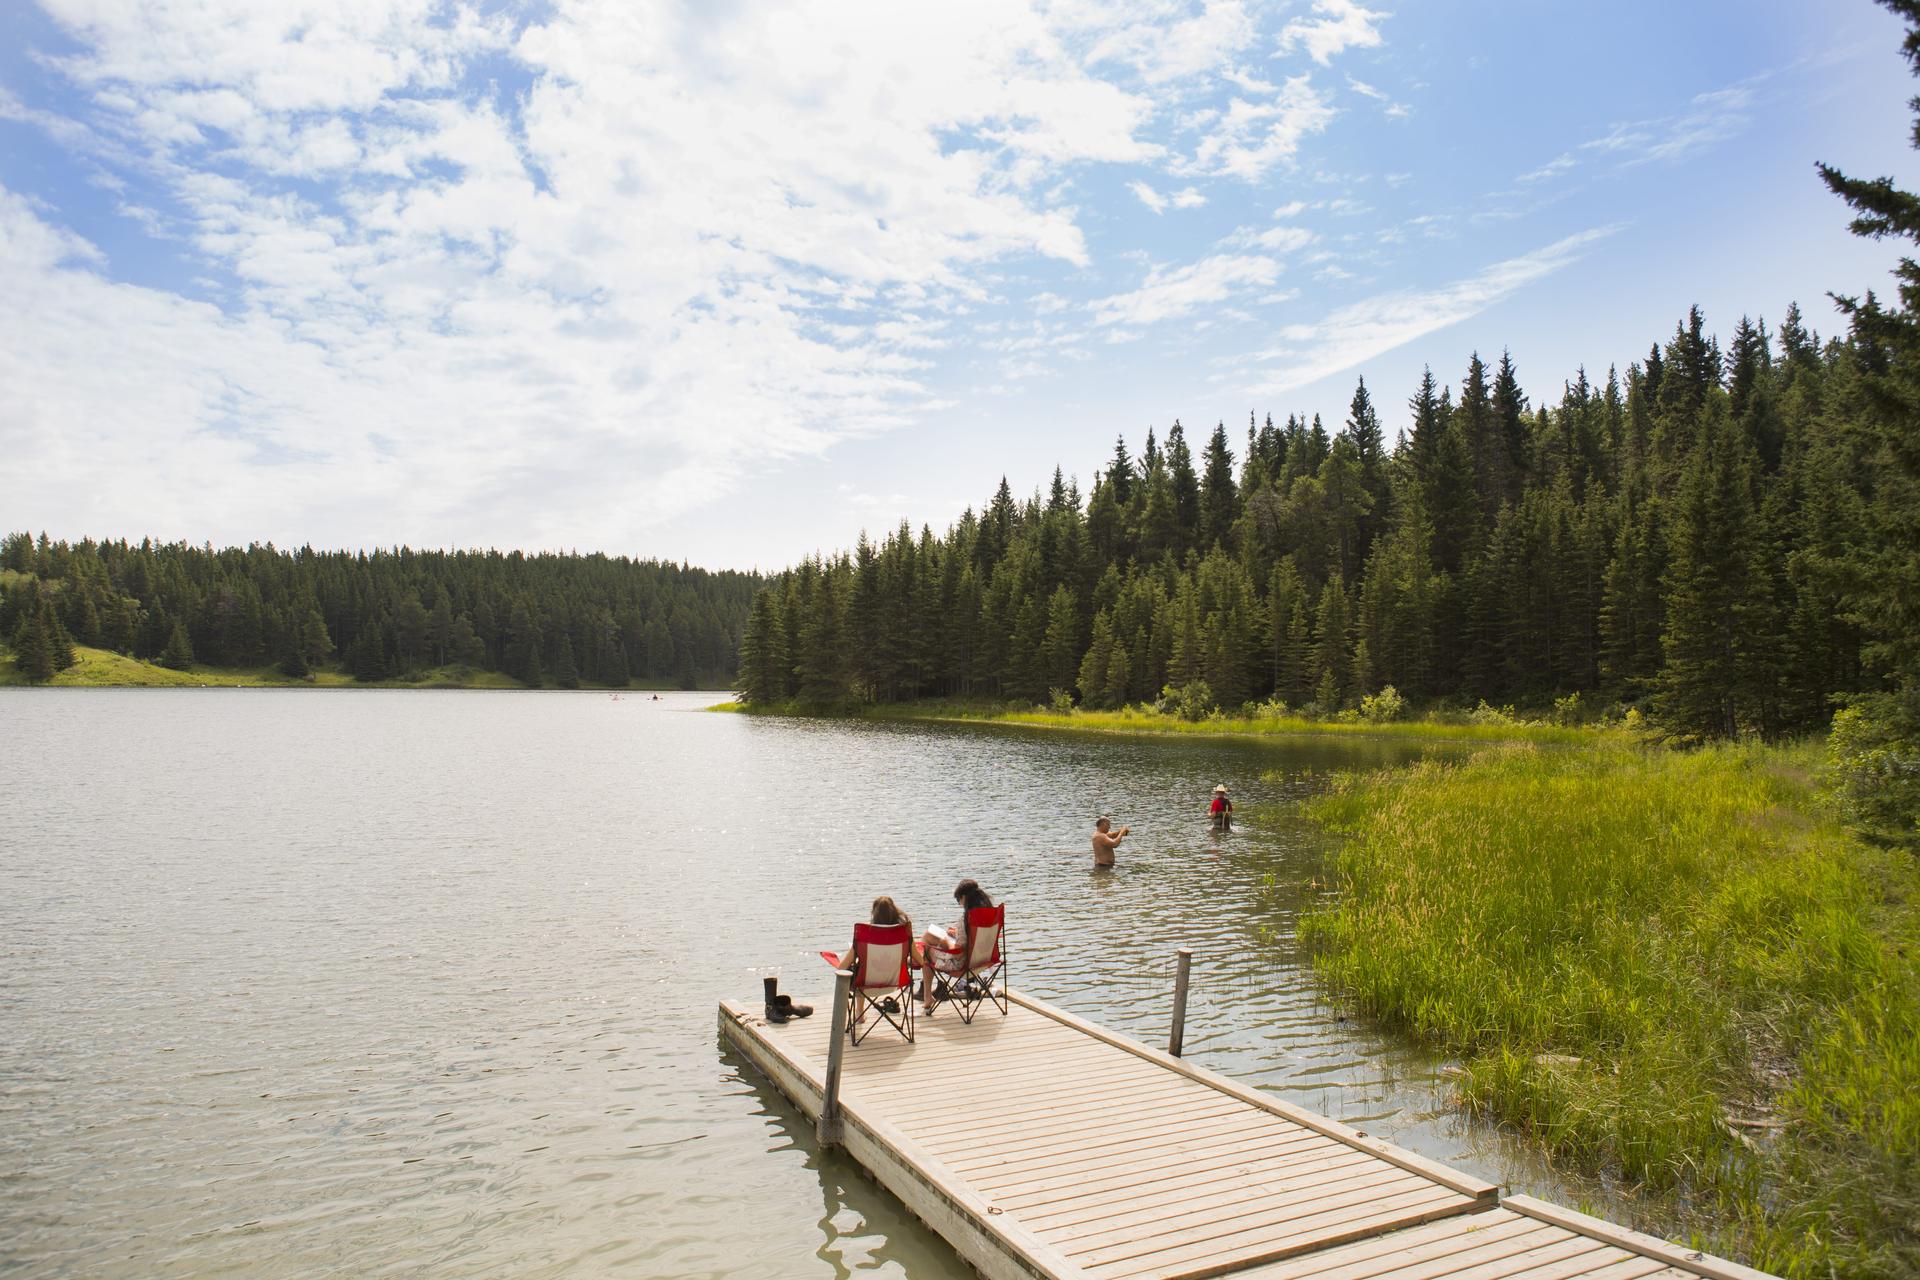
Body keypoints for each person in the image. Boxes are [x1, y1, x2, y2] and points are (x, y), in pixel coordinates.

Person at [831, 896, 916, 1020]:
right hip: (896, 983)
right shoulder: (904, 933)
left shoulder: (864, 936)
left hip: (865, 985)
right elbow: (920, 961)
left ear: (873, 914)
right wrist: (904, 960)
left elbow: (841, 967)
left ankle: (859, 1013)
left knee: (858, 969)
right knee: (860, 968)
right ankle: (859, 1012)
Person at [920, 879, 993, 1012]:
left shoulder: (966, 919)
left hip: (963, 965)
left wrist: (945, 942)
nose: (959, 903)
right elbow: (972, 939)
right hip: (983, 960)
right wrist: (958, 934)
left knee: (927, 947)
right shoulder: (987, 916)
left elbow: (958, 954)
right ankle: (916, 963)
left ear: (964, 897)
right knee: (930, 938)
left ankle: (927, 996)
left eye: (958, 900)